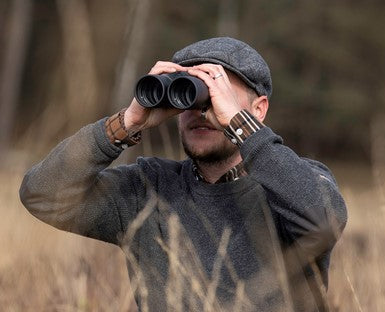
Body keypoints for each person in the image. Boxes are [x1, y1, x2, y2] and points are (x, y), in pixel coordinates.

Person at [20, 37, 347, 312]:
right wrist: (126, 123)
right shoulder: (149, 191)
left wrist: (240, 126)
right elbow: (42, 195)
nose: (200, 112)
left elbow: (323, 219)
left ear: (258, 109)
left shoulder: (291, 186)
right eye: (189, 95)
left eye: (216, 94)